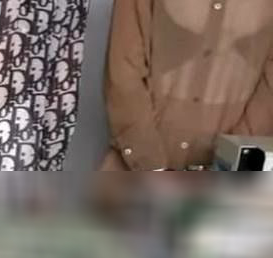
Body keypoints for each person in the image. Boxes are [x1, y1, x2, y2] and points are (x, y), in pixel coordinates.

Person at [103, 0, 273, 171]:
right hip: (135, 167)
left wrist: (231, 161)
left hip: (230, 174)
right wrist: (151, 164)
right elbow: (123, 73)